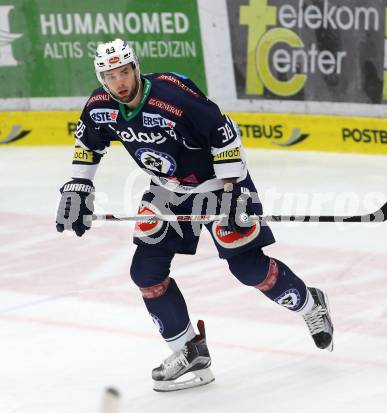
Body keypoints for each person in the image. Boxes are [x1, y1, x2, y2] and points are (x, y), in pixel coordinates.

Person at [56, 39, 334, 392]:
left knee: (247, 268)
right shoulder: (99, 107)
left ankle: (311, 304)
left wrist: (233, 194)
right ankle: (190, 352)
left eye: (125, 72)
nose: (120, 82)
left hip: (220, 183)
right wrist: (78, 188)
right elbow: (88, 146)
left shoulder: (174, 96)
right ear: (102, 78)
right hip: (167, 189)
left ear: (136, 68)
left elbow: (224, 136)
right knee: (146, 272)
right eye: (111, 76)